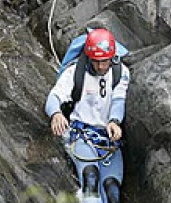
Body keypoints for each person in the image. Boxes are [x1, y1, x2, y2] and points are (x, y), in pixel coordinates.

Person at [45, 28, 130, 203]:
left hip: (108, 139)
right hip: (82, 135)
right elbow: (54, 97)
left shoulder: (120, 72)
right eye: (96, 61)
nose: (100, 66)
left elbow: (118, 100)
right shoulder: (74, 72)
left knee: (112, 189)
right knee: (91, 178)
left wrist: (114, 121)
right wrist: (56, 114)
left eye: (104, 61)